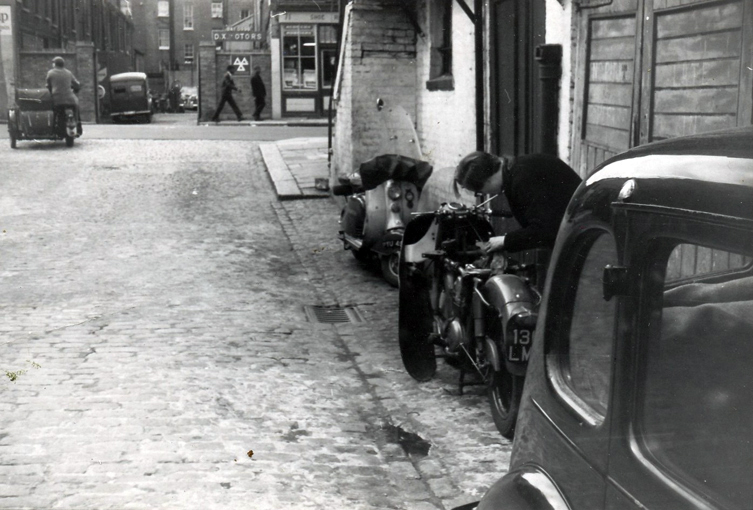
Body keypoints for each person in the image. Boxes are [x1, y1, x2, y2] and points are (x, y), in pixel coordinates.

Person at [454, 152, 582, 254]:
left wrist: (505, 241)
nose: (485, 194)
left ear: (487, 181)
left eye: (479, 191)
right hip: (580, 232)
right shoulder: (519, 168)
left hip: (584, 239)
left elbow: (545, 230)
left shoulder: (522, 180)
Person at [46, 56, 82, 135]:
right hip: (70, 99)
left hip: (57, 100)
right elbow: (76, 84)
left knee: (55, 112)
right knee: (76, 106)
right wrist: (76, 88)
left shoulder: (50, 73)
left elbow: (48, 86)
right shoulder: (69, 73)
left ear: (55, 64)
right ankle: (78, 126)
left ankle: (54, 127)